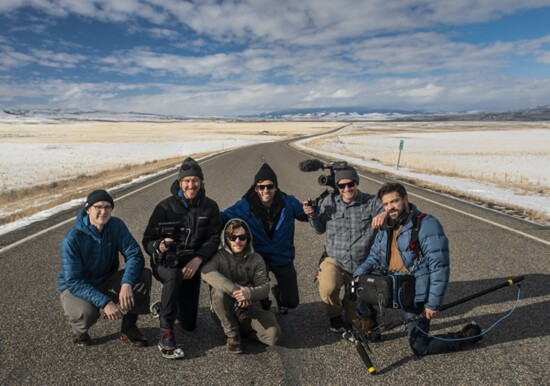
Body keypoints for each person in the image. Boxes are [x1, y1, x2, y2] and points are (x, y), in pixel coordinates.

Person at [353, 182, 482, 356]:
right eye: (386, 204)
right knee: (359, 286)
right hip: (392, 283)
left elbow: (439, 267)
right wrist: (358, 275)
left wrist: (432, 303)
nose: (390, 207)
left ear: (406, 199)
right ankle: (371, 328)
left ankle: (466, 336)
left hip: (413, 290)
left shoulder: (427, 224)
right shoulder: (386, 225)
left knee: (420, 347)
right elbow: (374, 256)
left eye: (395, 201)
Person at [143, 157, 221, 359]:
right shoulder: (165, 207)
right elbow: (147, 239)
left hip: (192, 263)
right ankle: (165, 331)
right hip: (166, 261)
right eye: (186, 181)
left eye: (195, 180)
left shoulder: (210, 207)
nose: (191, 185)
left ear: (201, 182)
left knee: (189, 325)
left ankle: (166, 304)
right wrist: (157, 246)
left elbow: (213, 238)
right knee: (173, 277)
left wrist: (198, 260)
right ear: (179, 183)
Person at [59, 189, 152, 347]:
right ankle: (79, 332)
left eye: (108, 207)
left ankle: (129, 327)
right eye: (98, 207)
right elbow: (74, 281)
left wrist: (127, 283)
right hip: (77, 287)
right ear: (88, 210)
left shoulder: (116, 225)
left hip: (106, 279)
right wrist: (105, 302)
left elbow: (134, 255)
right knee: (86, 313)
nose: (104, 211)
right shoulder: (72, 239)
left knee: (142, 276)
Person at [303, 165, 385, 333]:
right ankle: (334, 316)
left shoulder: (371, 202)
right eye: (342, 185)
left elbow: (391, 209)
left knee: (354, 317)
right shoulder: (329, 201)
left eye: (350, 184)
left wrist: (383, 214)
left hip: (360, 266)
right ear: (338, 186)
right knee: (328, 287)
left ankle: (351, 300)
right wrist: (312, 215)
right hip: (335, 261)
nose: (347, 189)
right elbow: (319, 229)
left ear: (356, 183)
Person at [221, 163, 307, 314]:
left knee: (292, 302)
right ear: (255, 188)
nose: (266, 190)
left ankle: (279, 293)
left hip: (282, 256)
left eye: (270, 186)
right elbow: (222, 218)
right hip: (259, 258)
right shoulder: (244, 205)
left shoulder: (288, 203)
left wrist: (313, 209)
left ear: (276, 187)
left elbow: (306, 215)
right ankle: (262, 301)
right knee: (260, 304)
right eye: (261, 187)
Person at [201, 218, 282, 353]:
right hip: (225, 304)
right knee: (218, 291)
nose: (237, 241)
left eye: (242, 237)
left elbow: (264, 287)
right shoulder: (219, 256)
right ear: (227, 238)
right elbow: (206, 272)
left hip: (251, 304)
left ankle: (244, 327)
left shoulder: (257, 258)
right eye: (233, 237)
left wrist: (248, 293)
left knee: (273, 337)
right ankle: (232, 334)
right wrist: (236, 291)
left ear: (248, 238)